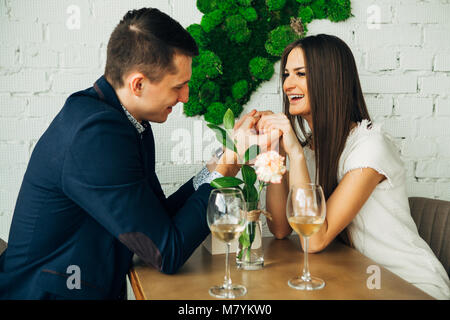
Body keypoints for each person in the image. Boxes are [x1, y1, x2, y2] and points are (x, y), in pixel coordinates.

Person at [0, 8, 252, 300]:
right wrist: (225, 173)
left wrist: (215, 168)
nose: (185, 97)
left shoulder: (125, 120)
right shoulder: (96, 135)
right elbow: (165, 253)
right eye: (179, 86)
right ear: (138, 84)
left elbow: (157, 224)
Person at [252, 34, 450, 300]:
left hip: (409, 285)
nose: (288, 84)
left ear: (330, 80)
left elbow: (315, 239)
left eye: (300, 73)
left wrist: (295, 154)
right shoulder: (311, 148)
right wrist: (274, 148)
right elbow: (280, 228)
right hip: (357, 280)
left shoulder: (370, 147)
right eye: (286, 74)